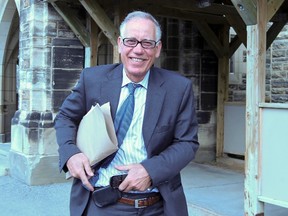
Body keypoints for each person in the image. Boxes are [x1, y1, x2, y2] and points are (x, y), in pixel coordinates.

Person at [54, 10, 199, 216]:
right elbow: (66, 117)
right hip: (100, 204)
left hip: (157, 206)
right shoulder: (93, 79)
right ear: (120, 44)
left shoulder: (178, 88)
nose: (138, 50)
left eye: (147, 43)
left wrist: (150, 170)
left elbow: (187, 143)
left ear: (157, 49)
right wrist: (71, 153)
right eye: (131, 41)